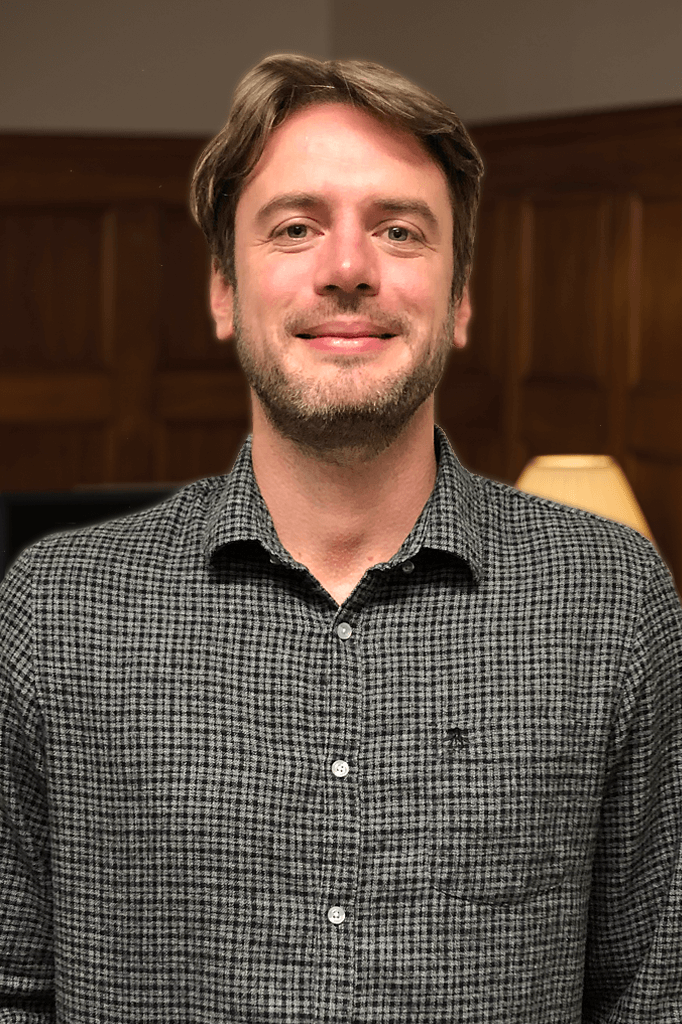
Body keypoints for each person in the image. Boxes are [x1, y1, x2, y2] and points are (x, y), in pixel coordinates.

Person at [1, 53, 681, 1024]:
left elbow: (657, 991)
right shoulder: (51, 606)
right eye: (295, 227)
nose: (349, 267)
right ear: (224, 292)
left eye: (400, 230)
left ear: (460, 301)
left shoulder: (610, 597)